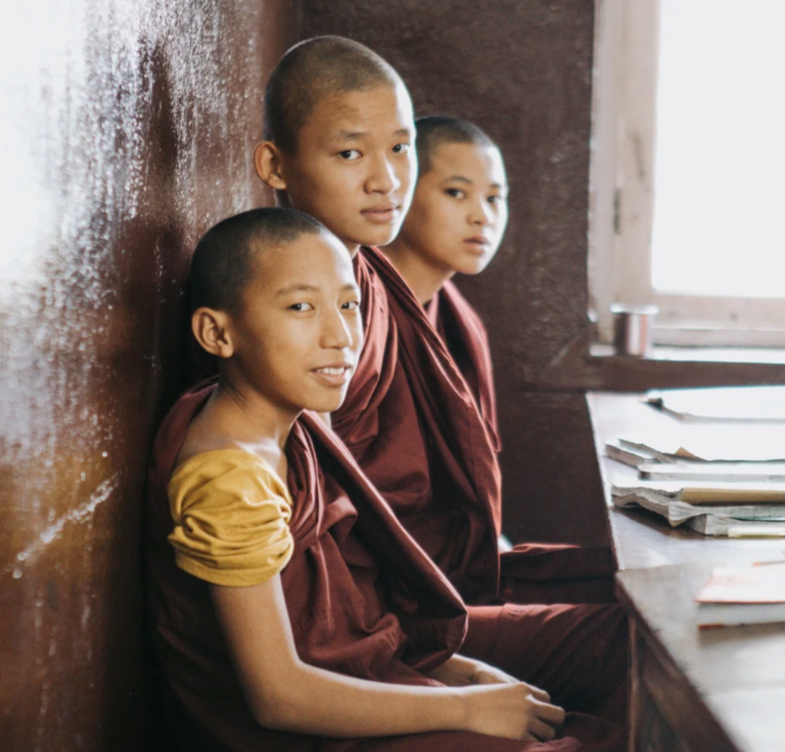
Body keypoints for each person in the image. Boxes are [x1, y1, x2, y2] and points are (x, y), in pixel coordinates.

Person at [251, 36, 627, 747]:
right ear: (275, 164)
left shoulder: (385, 294)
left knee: (625, 590)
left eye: (399, 151)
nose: (385, 181)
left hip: (418, 590)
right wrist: (436, 672)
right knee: (620, 649)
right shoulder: (300, 321)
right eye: (350, 154)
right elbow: (315, 547)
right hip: (373, 619)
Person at [143, 206, 611, 751]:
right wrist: (466, 707)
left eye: (348, 305)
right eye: (300, 307)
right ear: (217, 333)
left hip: (367, 676)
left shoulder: (290, 425)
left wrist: (460, 672)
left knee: (618, 644)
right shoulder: (230, 477)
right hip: (307, 735)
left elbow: (350, 620)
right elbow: (278, 698)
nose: (341, 335)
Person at [379, 115, 618, 605]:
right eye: (456, 193)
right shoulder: (360, 315)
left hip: (465, 564)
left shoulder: (459, 321)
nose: (482, 217)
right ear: (401, 191)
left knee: (622, 581)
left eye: (494, 198)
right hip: (401, 591)